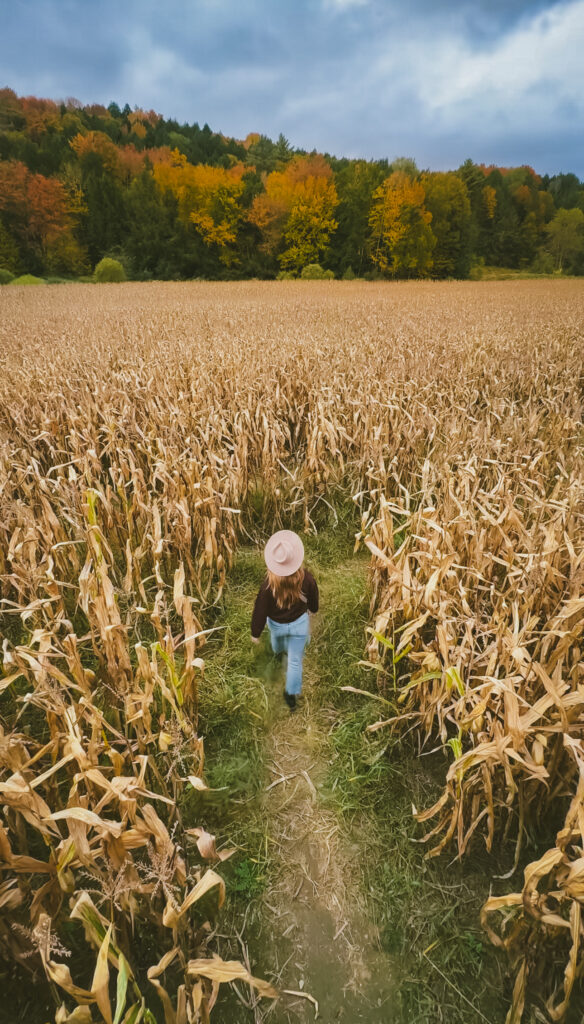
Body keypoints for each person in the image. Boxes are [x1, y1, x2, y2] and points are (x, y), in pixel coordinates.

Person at [251, 530, 319, 711]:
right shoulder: (307, 579)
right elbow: (313, 597)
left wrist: (255, 633)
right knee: (295, 660)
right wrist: (313, 610)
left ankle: (279, 651)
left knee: (277, 644)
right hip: (299, 624)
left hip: (276, 626)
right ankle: (291, 693)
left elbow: (260, 609)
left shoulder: (268, 586)